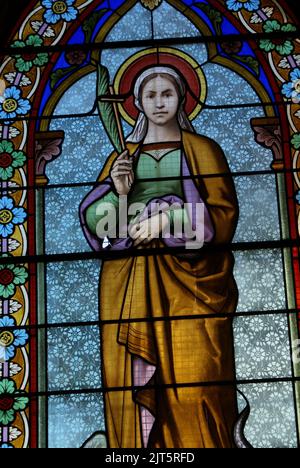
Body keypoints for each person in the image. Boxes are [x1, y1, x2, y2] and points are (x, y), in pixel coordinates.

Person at [79, 66, 239, 448]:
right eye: (150, 95)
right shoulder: (122, 157)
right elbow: (100, 227)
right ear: (137, 103)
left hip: (192, 285)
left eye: (167, 93)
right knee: (132, 387)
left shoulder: (203, 150)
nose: (159, 102)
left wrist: (167, 220)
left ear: (182, 96)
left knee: (196, 383)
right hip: (129, 286)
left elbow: (222, 214)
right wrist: (118, 192)